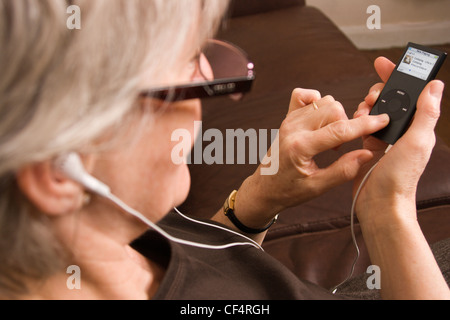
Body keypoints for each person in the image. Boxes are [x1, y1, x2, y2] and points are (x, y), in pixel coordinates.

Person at [0, 0, 448, 300]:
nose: (204, 101)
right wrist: (388, 209)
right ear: (59, 173)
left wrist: (258, 198)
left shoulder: (112, 211)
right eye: (187, 77)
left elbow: (203, 269)